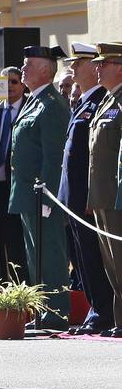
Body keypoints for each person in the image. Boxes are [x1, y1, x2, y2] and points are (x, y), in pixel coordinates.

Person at [10, 45, 71, 329]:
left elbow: (54, 155)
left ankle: (56, 313)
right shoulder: (34, 100)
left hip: (42, 193)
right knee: (35, 255)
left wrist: (49, 196)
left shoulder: (52, 104)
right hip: (27, 192)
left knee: (50, 253)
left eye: (28, 64)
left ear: (45, 70)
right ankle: (42, 310)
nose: (23, 70)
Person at [62, 43, 114, 334]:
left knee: (96, 257)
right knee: (83, 258)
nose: (73, 67)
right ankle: (95, 308)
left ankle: (102, 311)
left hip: (90, 195)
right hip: (75, 194)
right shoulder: (84, 102)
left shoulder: (99, 103)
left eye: (78, 62)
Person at [88, 44, 122, 336]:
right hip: (102, 195)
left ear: (120, 67)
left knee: (121, 259)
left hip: (116, 195)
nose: (97, 68)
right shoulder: (107, 100)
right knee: (112, 263)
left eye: (104, 63)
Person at [0, 67, 28, 277]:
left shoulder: (28, 108)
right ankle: (3, 279)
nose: (9, 87)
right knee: (0, 233)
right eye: (4, 82)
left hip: (17, 181)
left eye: (14, 81)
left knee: (18, 234)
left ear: (22, 85)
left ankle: (22, 279)